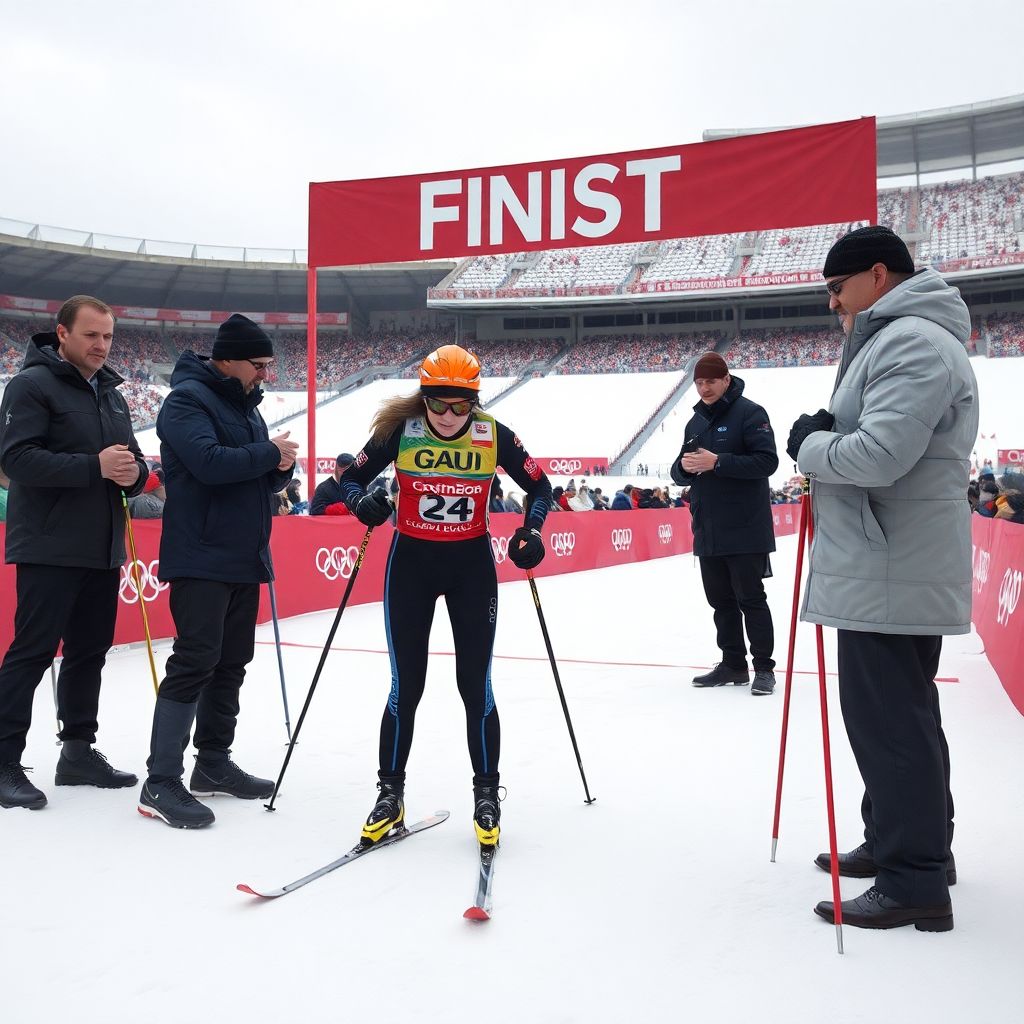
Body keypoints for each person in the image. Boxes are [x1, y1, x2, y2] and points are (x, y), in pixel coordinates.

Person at [788, 225, 978, 932]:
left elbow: (877, 456)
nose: (834, 305)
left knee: (889, 723)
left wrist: (809, 443)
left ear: (876, 274)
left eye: (837, 289)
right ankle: (909, 845)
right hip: (889, 560)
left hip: (890, 564)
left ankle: (915, 879)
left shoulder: (911, 341)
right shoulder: (902, 337)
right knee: (901, 718)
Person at [338, 344, 552, 850]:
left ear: (475, 401)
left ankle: (486, 794)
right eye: (439, 404)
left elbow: (541, 490)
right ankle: (390, 794)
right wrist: (359, 503)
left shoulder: (493, 435)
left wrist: (533, 531)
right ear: (424, 398)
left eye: (462, 405)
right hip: (410, 565)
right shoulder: (400, 431)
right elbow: (350, 478)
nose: (450, 414)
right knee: (404, 686)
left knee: (475, 687)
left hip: (470, 568)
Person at [137, 313, 299, 829]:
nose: (264, 375)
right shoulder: (185, 400)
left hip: (241, 555)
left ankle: (211, 763)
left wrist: (280, 468)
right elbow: (208, 464)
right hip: (200, 554)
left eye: (269, 366)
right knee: (195, 660)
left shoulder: (245, 405)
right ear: (226, 358)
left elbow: (255, 479)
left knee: (231, 662)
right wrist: (266, 454)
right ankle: (161, 781)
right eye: (259, 365)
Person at [0, 295, 147, 810]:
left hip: (102, 546)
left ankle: (78, 752)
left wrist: (139, 473)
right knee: (32, 654)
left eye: (107, 336)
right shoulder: (30, 385)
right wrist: (95, 467)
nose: (101, 345)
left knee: (89, 654)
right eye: (91, 335)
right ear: (61, 333)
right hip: (48, 544)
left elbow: (128, 459)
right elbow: (16, 460)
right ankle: (3, 761)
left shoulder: (112, 393)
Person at [671, 351, 779, 696]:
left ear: (726, 380)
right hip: (708, 528)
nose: (704, 388)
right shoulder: (695, 422)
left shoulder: (751, 413)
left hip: (746, 528)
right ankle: (733, 664)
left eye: (711, 381)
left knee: (751, 599)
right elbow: (679, 469)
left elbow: (767, 462)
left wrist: (718, 462)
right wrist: (685, 469)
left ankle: (763, 668)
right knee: (720, 602)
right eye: (699, 382)